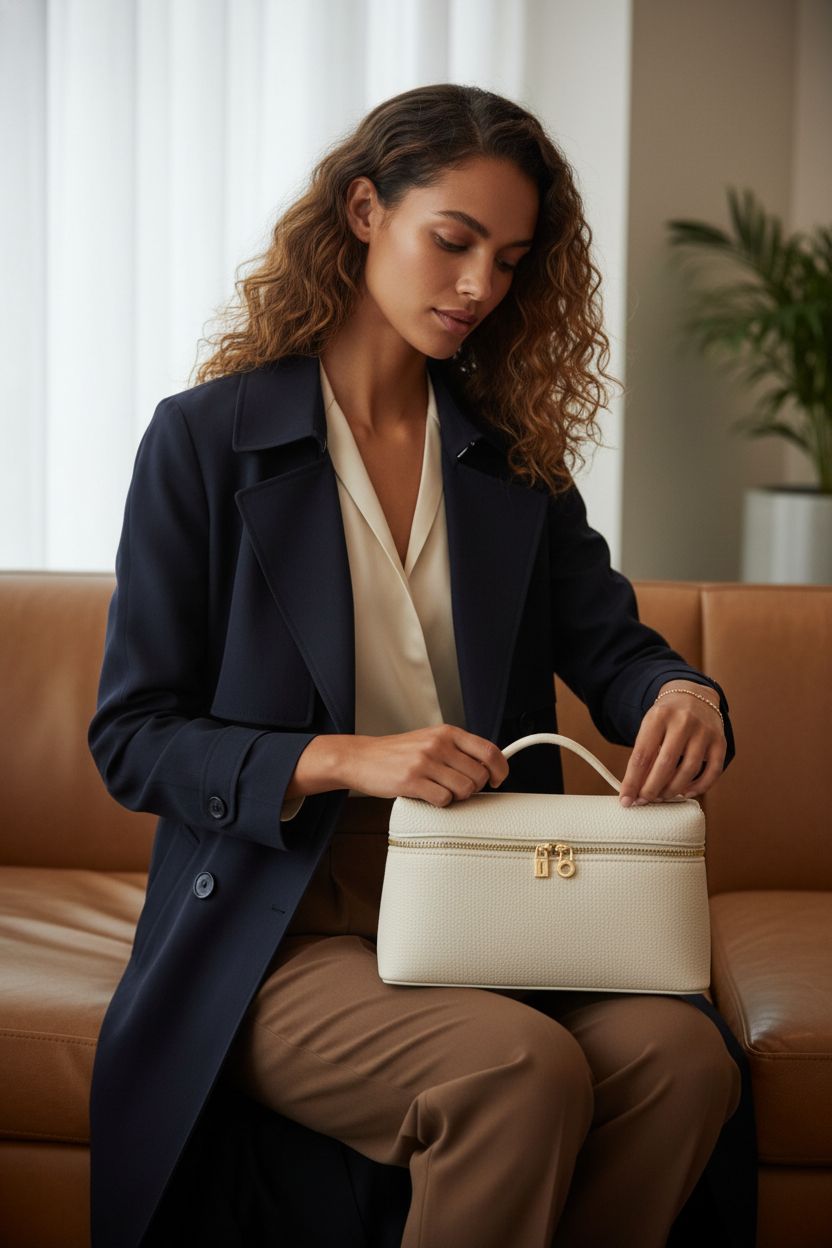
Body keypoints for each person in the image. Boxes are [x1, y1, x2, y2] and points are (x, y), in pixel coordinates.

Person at [88, 84, 751, 1247]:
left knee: (681, 1060)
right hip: (278, 921)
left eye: (509, 261)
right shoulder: (203, 441)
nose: (479, 286)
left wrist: (681, 693)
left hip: (493, 902)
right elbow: (132, 735)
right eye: (453, 241)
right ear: (362, 212)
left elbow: (617, 650)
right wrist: (345, 758)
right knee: (515, 1069)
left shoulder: (511, 463)